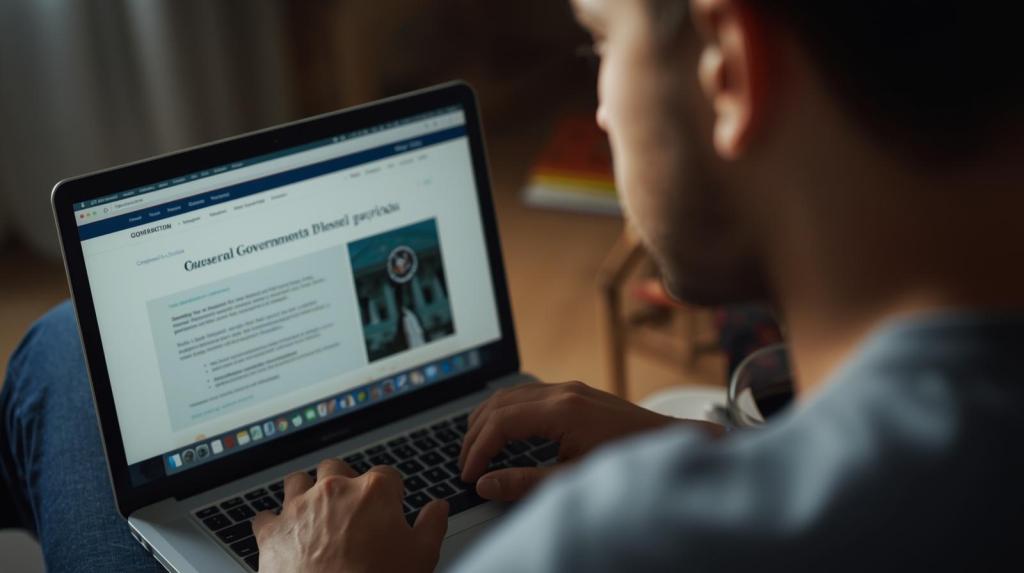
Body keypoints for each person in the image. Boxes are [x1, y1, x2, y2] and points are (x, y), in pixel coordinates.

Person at [2, 0, 1022, 571]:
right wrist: (716, 453)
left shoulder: (618, 537)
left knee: (62, 352)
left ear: (729, 68)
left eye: (601, 43)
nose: (602, 108)